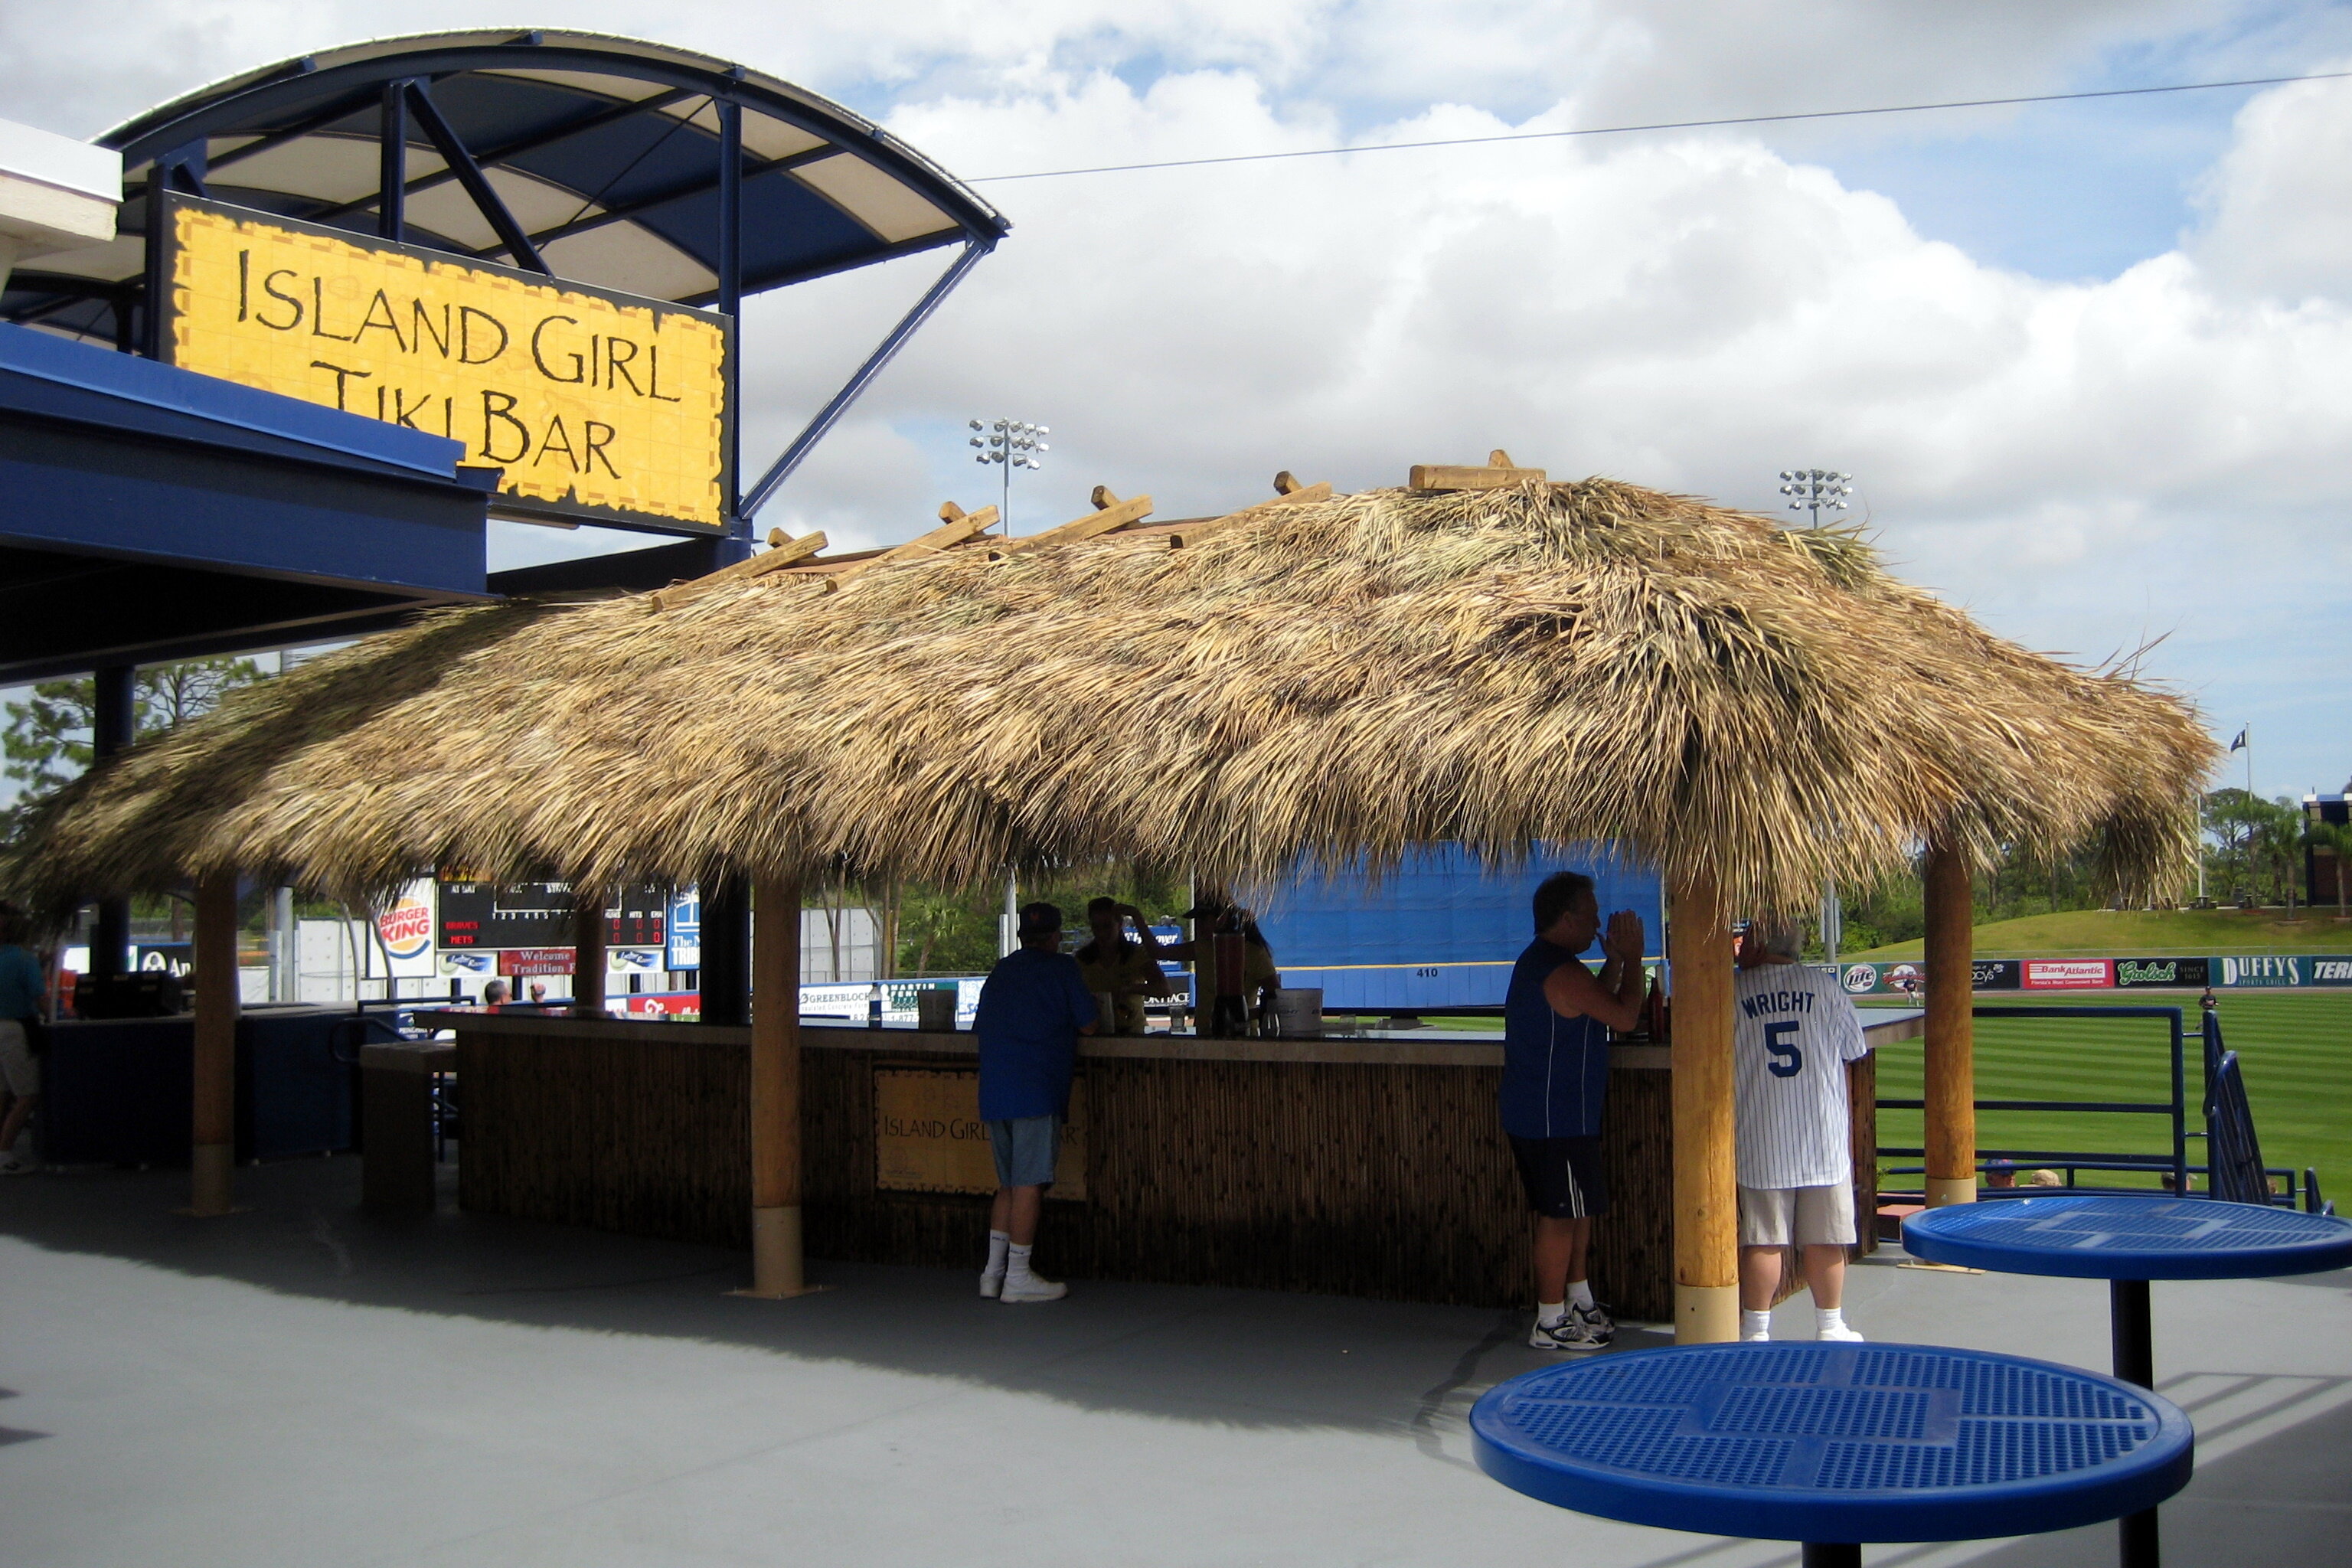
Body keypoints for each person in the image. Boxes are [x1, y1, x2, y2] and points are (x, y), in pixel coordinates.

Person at [1501, 871, 1646, 1351]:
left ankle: (1578, 1298)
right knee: (1558, 1215)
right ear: (1567, 919)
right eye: (1591, 914)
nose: (1599, 921)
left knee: (1575, 1207)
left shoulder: (1556, 965)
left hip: (1564, 1115)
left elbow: (1595, 1003)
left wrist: (1614, 963)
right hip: (1550, 1118)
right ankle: (1548, 1317)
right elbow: (1624, 1017)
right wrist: (1635, 961)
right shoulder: (1558, 969)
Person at [1733, 919, 1870, 1343]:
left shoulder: (1733, 992)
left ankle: (1755, 1331)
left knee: (1763, 1239)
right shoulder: (1824, 987)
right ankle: (1830, 1326)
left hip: (1760, 1131)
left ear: (1756, 941)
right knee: (1827, 1237)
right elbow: (1854, 1050)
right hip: (1821, 1133)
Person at [973, 902, 1098, 1302]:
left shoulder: (1001, 970)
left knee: (1008, 1184)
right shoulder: (1062, 969)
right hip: (1036, 1088)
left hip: (995, 1089)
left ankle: (992, 1274)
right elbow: (1090, 1024)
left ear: (1021, 936)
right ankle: (1019, 1277)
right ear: (1057, 936)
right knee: (1029, 1185)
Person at [1073, 897, 1171, 1034]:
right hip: (1095, 1035)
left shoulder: (1137, 954)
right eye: (1096, 927)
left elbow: (1164, 990)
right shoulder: (1082, 959)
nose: (1102, 933)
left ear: (1120, 924)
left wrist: (1131, 989)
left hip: (1132, 1033)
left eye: (1107, 926)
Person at [0, 903, 45, 1176]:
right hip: (15, 1029)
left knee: (2, 1092)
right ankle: (4, 1153)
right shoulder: (24, 959)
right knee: (27, 1095)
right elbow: (39, 997)